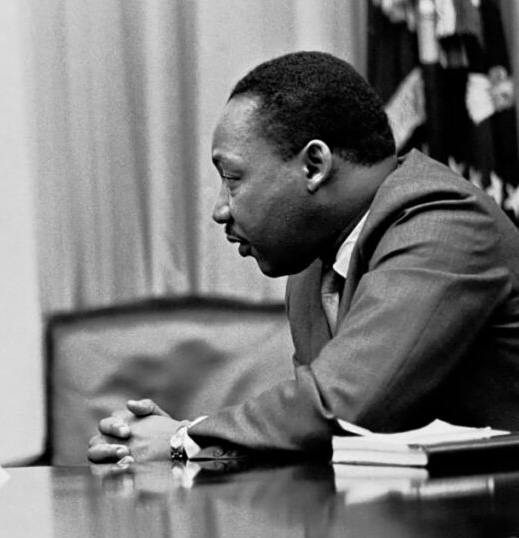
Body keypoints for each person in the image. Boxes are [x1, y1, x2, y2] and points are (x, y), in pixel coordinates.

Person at [88, 51, 519, 464]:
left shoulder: (443, 223)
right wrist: (171, 443)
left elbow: (342, 405)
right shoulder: (315, 266)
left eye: (233, 179)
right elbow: (316, 437)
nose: (220, 209)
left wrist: (185, 439)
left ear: (314, 165)